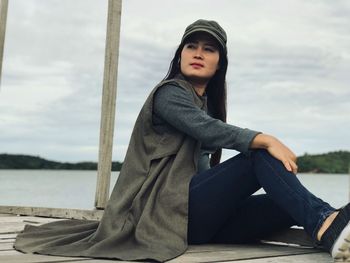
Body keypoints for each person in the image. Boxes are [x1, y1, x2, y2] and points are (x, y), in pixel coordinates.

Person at [15, 19, 350, 262]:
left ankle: (335, 227)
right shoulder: (171, 93)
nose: (198, 53)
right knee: (257, 155)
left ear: (220, 63)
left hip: (196, 223)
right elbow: (209, 130)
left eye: (209, 48)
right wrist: (264, 138)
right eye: (192, 46)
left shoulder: (203, 103)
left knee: (284, 201)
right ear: (180, 55)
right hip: (163, 212)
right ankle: (328, 224)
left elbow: (209, 134)